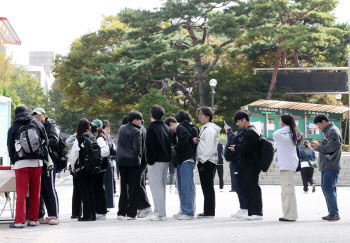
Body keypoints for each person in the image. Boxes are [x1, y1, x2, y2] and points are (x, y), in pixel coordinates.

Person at [7, 106, 49, 228]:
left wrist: (13, 161)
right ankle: (33, 220)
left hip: (21, 164)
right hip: (37, 163)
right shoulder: (37, 124)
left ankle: (19, 221)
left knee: (21, 193)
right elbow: (46, 141)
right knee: (35, 192)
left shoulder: (13, 127)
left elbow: (10, 147)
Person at [230, 109, 263, 220]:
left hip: (251, 164)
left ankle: (257, 213)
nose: (238, 125)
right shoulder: (252, 130)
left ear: (243, 120)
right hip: (250, 164)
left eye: (238, 122)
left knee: (253, 188)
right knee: (250, 188)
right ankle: (253, 212)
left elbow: (246, 148)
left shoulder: (250, 131)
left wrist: (236, 147)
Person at [311, 114, 342, 221]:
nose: (318, 128)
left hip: (331, 166)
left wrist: (318, 147)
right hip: (328, 165)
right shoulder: (329, 131)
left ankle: (334, 213)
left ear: (323, 122)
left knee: (328, 188)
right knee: (329, 189)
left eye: (319, 125)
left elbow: (332, 147)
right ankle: (332, 212)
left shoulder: (332, 131)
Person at [32, 107, 60, 225]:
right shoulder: (36, 127)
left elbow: (54, 140)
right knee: (43, 189)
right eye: (35, 116)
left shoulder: (51, 126)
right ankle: (48, 215)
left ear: (44, 115)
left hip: (50, 162)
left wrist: (43, 140)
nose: (37, 118)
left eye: (39, 115)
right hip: (40, 162)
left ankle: (55, 215)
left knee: (50, 188)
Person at [273, 114, 303, 222]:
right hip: (288, 164)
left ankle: (290, 215)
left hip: (287, 165)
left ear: (284, 122)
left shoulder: (284, 135)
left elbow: (275, 133)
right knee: (286, 190)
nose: (279, 123)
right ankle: (288, 214)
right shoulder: (293, 133)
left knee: (288, 190)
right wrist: (289, 126)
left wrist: (287, 127)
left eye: (280, 121)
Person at [146, 105, 172, 221]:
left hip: (155, 161)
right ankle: (161, 212)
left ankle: (159, 213)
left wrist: (149, 161)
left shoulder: (151, 128)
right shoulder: (166, 128)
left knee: (156, 187)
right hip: (165, 160)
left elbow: (149, 147)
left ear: (151, 115)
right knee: (162, 187)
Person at [195, 107, 221, 218]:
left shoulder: (210, 130)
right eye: (199, 114)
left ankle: (209, 211)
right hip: (206, 160)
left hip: (207, 161)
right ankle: (208, 210)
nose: (199, 116)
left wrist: (202, 160)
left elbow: (209, 148)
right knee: (206, 187)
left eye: (201, 114)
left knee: (208, 187)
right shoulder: (206, 128)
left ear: (208, 116)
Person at [116, 111, 143, 220]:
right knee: (133, 188)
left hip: (122, 161)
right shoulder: (136, 131)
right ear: (135, 120)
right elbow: (137, 149)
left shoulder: (121, 128)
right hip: (132, 162)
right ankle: (131, 213)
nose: (140, 123)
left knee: (123, 187)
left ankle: (121, 212)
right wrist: (139, 157)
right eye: (140, 120)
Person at [68, 118, 96, 221]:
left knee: (84, 192)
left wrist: (73, 167)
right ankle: (93, 214)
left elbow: (74, 155)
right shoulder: (92, 137)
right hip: (92, 167)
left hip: (82, 168)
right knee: (90, 192)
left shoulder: (79, 139)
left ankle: (87, 215)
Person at [224, 124, 248, 218]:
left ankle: (245, 208)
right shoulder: (241, 130)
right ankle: (243, 208)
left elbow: (233, 140)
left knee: (240, 186)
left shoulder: (245, 130)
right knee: (237, 186)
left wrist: (228, 131)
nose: (237, 123)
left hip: (240, 161)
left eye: (238, 121)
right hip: (236, 160)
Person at [90, 119, 110, 220]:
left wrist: (96, 156)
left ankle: (101, 211)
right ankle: (100, 210)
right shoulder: (98, 137)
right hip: (99, 167)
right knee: (98, 189)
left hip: (100, 168)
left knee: (98, 189)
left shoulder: (100, 138)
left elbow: (106, 151)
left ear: (98, 127)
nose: (91, 127)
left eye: (93, 125)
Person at [137, 119, 153, 218]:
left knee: (138, 184)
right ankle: (141, 207)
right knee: (141, 184)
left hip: (141, 161)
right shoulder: (143, 129)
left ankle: (146, 207)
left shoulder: (140, 130)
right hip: (144, 161)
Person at [66, 133, 82, 219]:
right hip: (84, 167)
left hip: (77, 167)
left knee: (76, 191)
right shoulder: (89, 137)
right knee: (84, 191)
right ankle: (80, 212)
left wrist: (72, 167)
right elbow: (68, 142)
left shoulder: (78, 139)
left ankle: (76, 212)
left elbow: (68, 142)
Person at [102, 120, 116, 210]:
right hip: (102, 163)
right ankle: (103, 204)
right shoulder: (100, 137)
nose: (109, 130)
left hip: (109, 162)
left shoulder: (109, 138)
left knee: (109, 185)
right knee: (102, 185)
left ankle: (109, 204)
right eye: (107, 128)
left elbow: (112, 150)